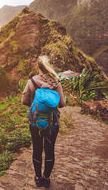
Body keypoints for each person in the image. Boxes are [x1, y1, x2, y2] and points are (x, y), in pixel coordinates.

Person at [21, 55, 65, 188]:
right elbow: (62, 103)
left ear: (38, 67)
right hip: (52, 123)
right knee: (50, 149)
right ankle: (46, 177)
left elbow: (23, 101)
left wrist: (35, 103)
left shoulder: (32, 81)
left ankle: (38, 177)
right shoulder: (56, 82)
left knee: (37, 149)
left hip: (35, 122)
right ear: (48, 66)